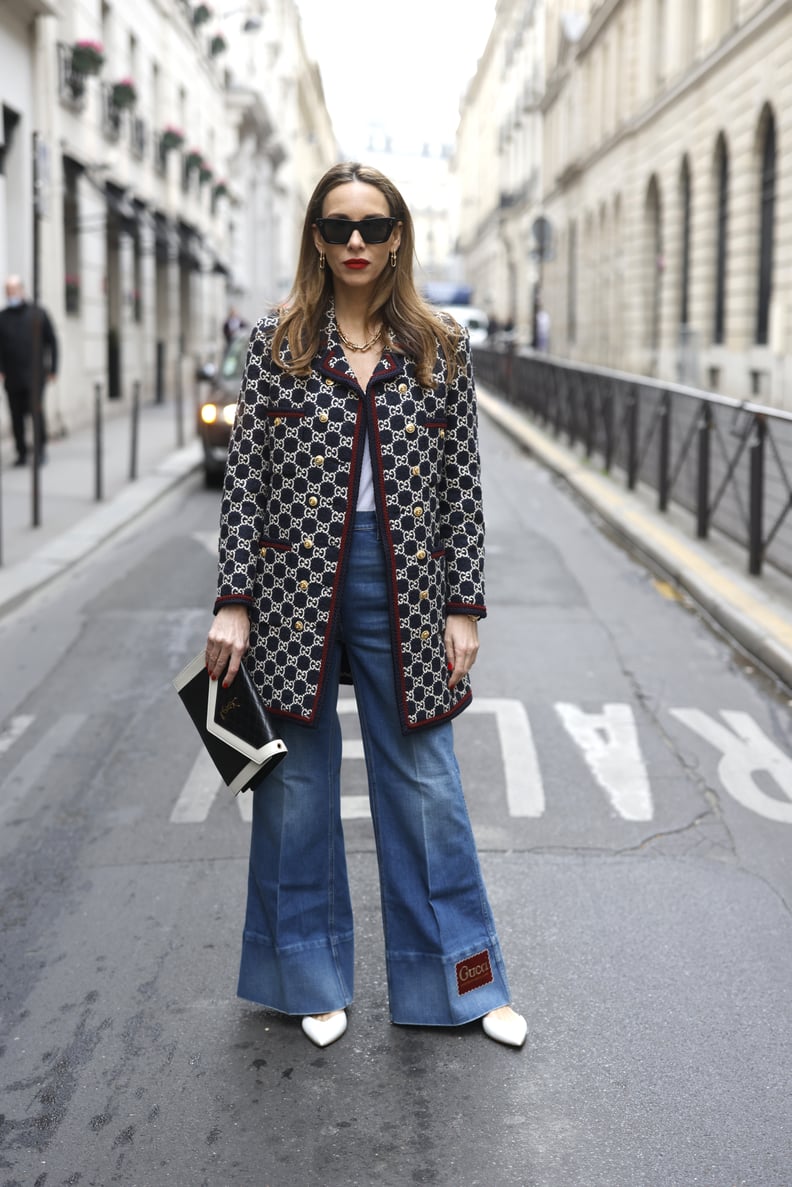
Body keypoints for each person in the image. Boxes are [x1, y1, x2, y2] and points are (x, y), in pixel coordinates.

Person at [205, 162, 526, 1050]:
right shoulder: (279, 341)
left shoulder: (438, 343)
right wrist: (232, 603)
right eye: (339, 226)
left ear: (397, 239)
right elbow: (246, 486)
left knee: (427, 784)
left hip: (409, 591)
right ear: (315, 235)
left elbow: (462, 485)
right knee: (297, 787)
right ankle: (305, 972)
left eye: (373, 227)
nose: (356, 242)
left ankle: (460, 980)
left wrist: (464, 605)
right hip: (291, 589)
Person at [0, 275, 58, 465]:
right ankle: (22, 452)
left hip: (34, 376)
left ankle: (40, 450)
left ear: (22, 291)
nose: (11, 294)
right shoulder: (3, 317)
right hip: (12, 376)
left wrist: (53, 369)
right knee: (16, 417)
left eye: (14, 290)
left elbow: (52, 342)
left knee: (36, 413)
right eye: (8, 291)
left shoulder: (38, 313)